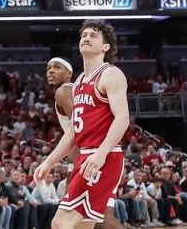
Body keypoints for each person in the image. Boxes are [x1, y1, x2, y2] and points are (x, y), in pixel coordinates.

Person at [34, 20, 131, 229]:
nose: (86, 37)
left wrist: (101, 154)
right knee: (81, 226)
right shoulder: (78, 83)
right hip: (86, 157)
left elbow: (122, 119)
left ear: (106, 47)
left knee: (61, 224)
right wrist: (49, 162)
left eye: (93, 35)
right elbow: (73, 133)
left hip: (102, 157)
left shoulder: (110, 74)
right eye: (84, 35)